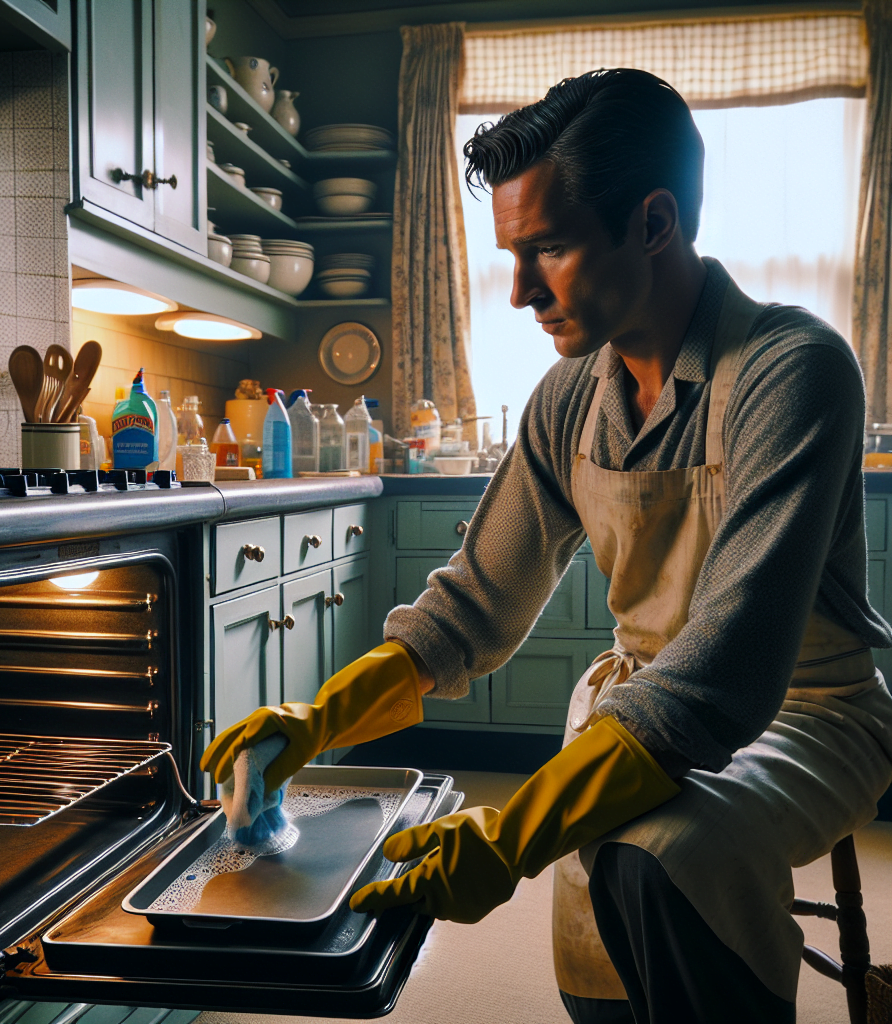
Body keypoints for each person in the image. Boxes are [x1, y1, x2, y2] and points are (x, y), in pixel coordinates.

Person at [202, 68, 892, 1023]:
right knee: (605, 952)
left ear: (655, 222)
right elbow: (468, 614)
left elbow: (723, 679)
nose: (522, 291)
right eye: (512, 257)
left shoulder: (792, 370)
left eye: (551, 250)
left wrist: (508, 838)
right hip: (636, 706)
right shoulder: (569, 398)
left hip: (805, 713)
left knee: (659, 859)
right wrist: (315, 720)